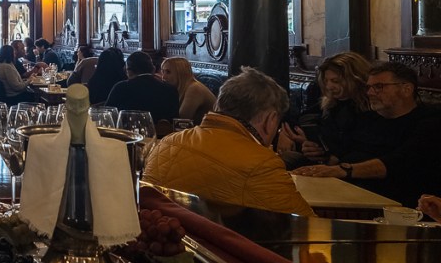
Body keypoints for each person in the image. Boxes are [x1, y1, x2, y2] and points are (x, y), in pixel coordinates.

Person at [144, 67, 315, 216]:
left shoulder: (168, 142)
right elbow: (306, 226)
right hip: (214, 244)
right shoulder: (260, 164)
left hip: (158, 238)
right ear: (270, 120)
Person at [293, 62, 441, 207]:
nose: (370, 93)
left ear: (406, 89)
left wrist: (342, 170)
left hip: (397, 202)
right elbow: (342, 153)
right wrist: (320, 154)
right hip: (349, 191)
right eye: (368, 87)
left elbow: (399, 162)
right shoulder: (367, 118)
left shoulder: (430, 122)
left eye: (378, 87)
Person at [279, 51, 371, 166]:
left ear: (355, 79)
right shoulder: (331, 102)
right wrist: (284, 133)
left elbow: (361, 150)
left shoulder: (369, 108)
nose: (329, 86)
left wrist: (328, 156)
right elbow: (297, 118)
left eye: (335, 81)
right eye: (326, 81)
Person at [105, 51, 179, 124]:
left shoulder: (120, 88)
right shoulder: (170, 90)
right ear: (153, 69)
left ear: (129, 71)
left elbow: (107, 116)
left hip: (127, 131)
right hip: (162, 132)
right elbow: (174, 120)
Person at [159, 56, 216, 124]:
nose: (163, 77)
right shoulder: (179, 88)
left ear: (181, 73)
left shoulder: (194, 88)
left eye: (168, 72)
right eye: (163, 72)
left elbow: (181, 120)